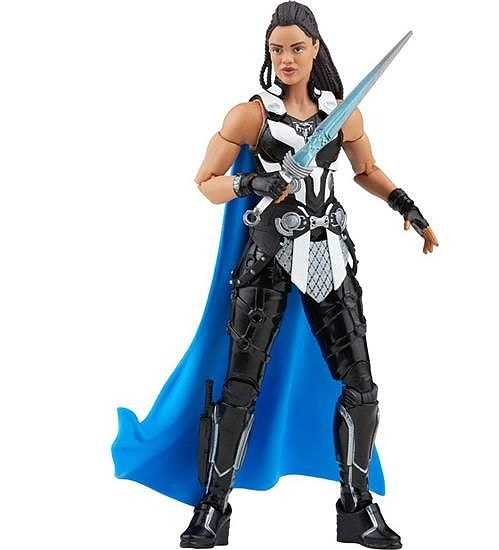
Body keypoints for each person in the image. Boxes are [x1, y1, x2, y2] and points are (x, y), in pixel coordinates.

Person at [112, 2, 438, 549]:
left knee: (361, 386)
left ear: (315, 49)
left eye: (296, 48)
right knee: (240, 387)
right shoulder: (251, 116)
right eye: (277, 49)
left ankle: (357, 508)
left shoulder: (342, 114)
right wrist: (252, 185)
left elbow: (366, 170)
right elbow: (206, 181)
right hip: (267, 257)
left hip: (329, 255)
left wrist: (405, 205)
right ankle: (214, 506)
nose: (286, 58)